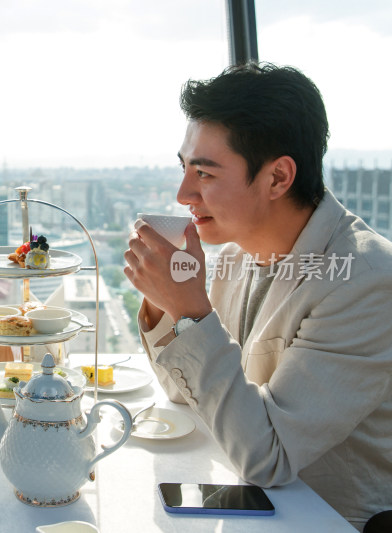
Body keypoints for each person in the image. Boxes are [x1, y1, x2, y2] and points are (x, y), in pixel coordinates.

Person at [124, 63, 392, 531]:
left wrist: (190, 310)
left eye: (204, 174)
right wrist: (166, 300)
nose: (184, 192)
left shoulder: (366, 281)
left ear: (277, 178)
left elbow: (268, 457)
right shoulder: (236, 255)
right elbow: (184, 392)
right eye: (185, 167)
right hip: (252, 503)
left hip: (327, 519)